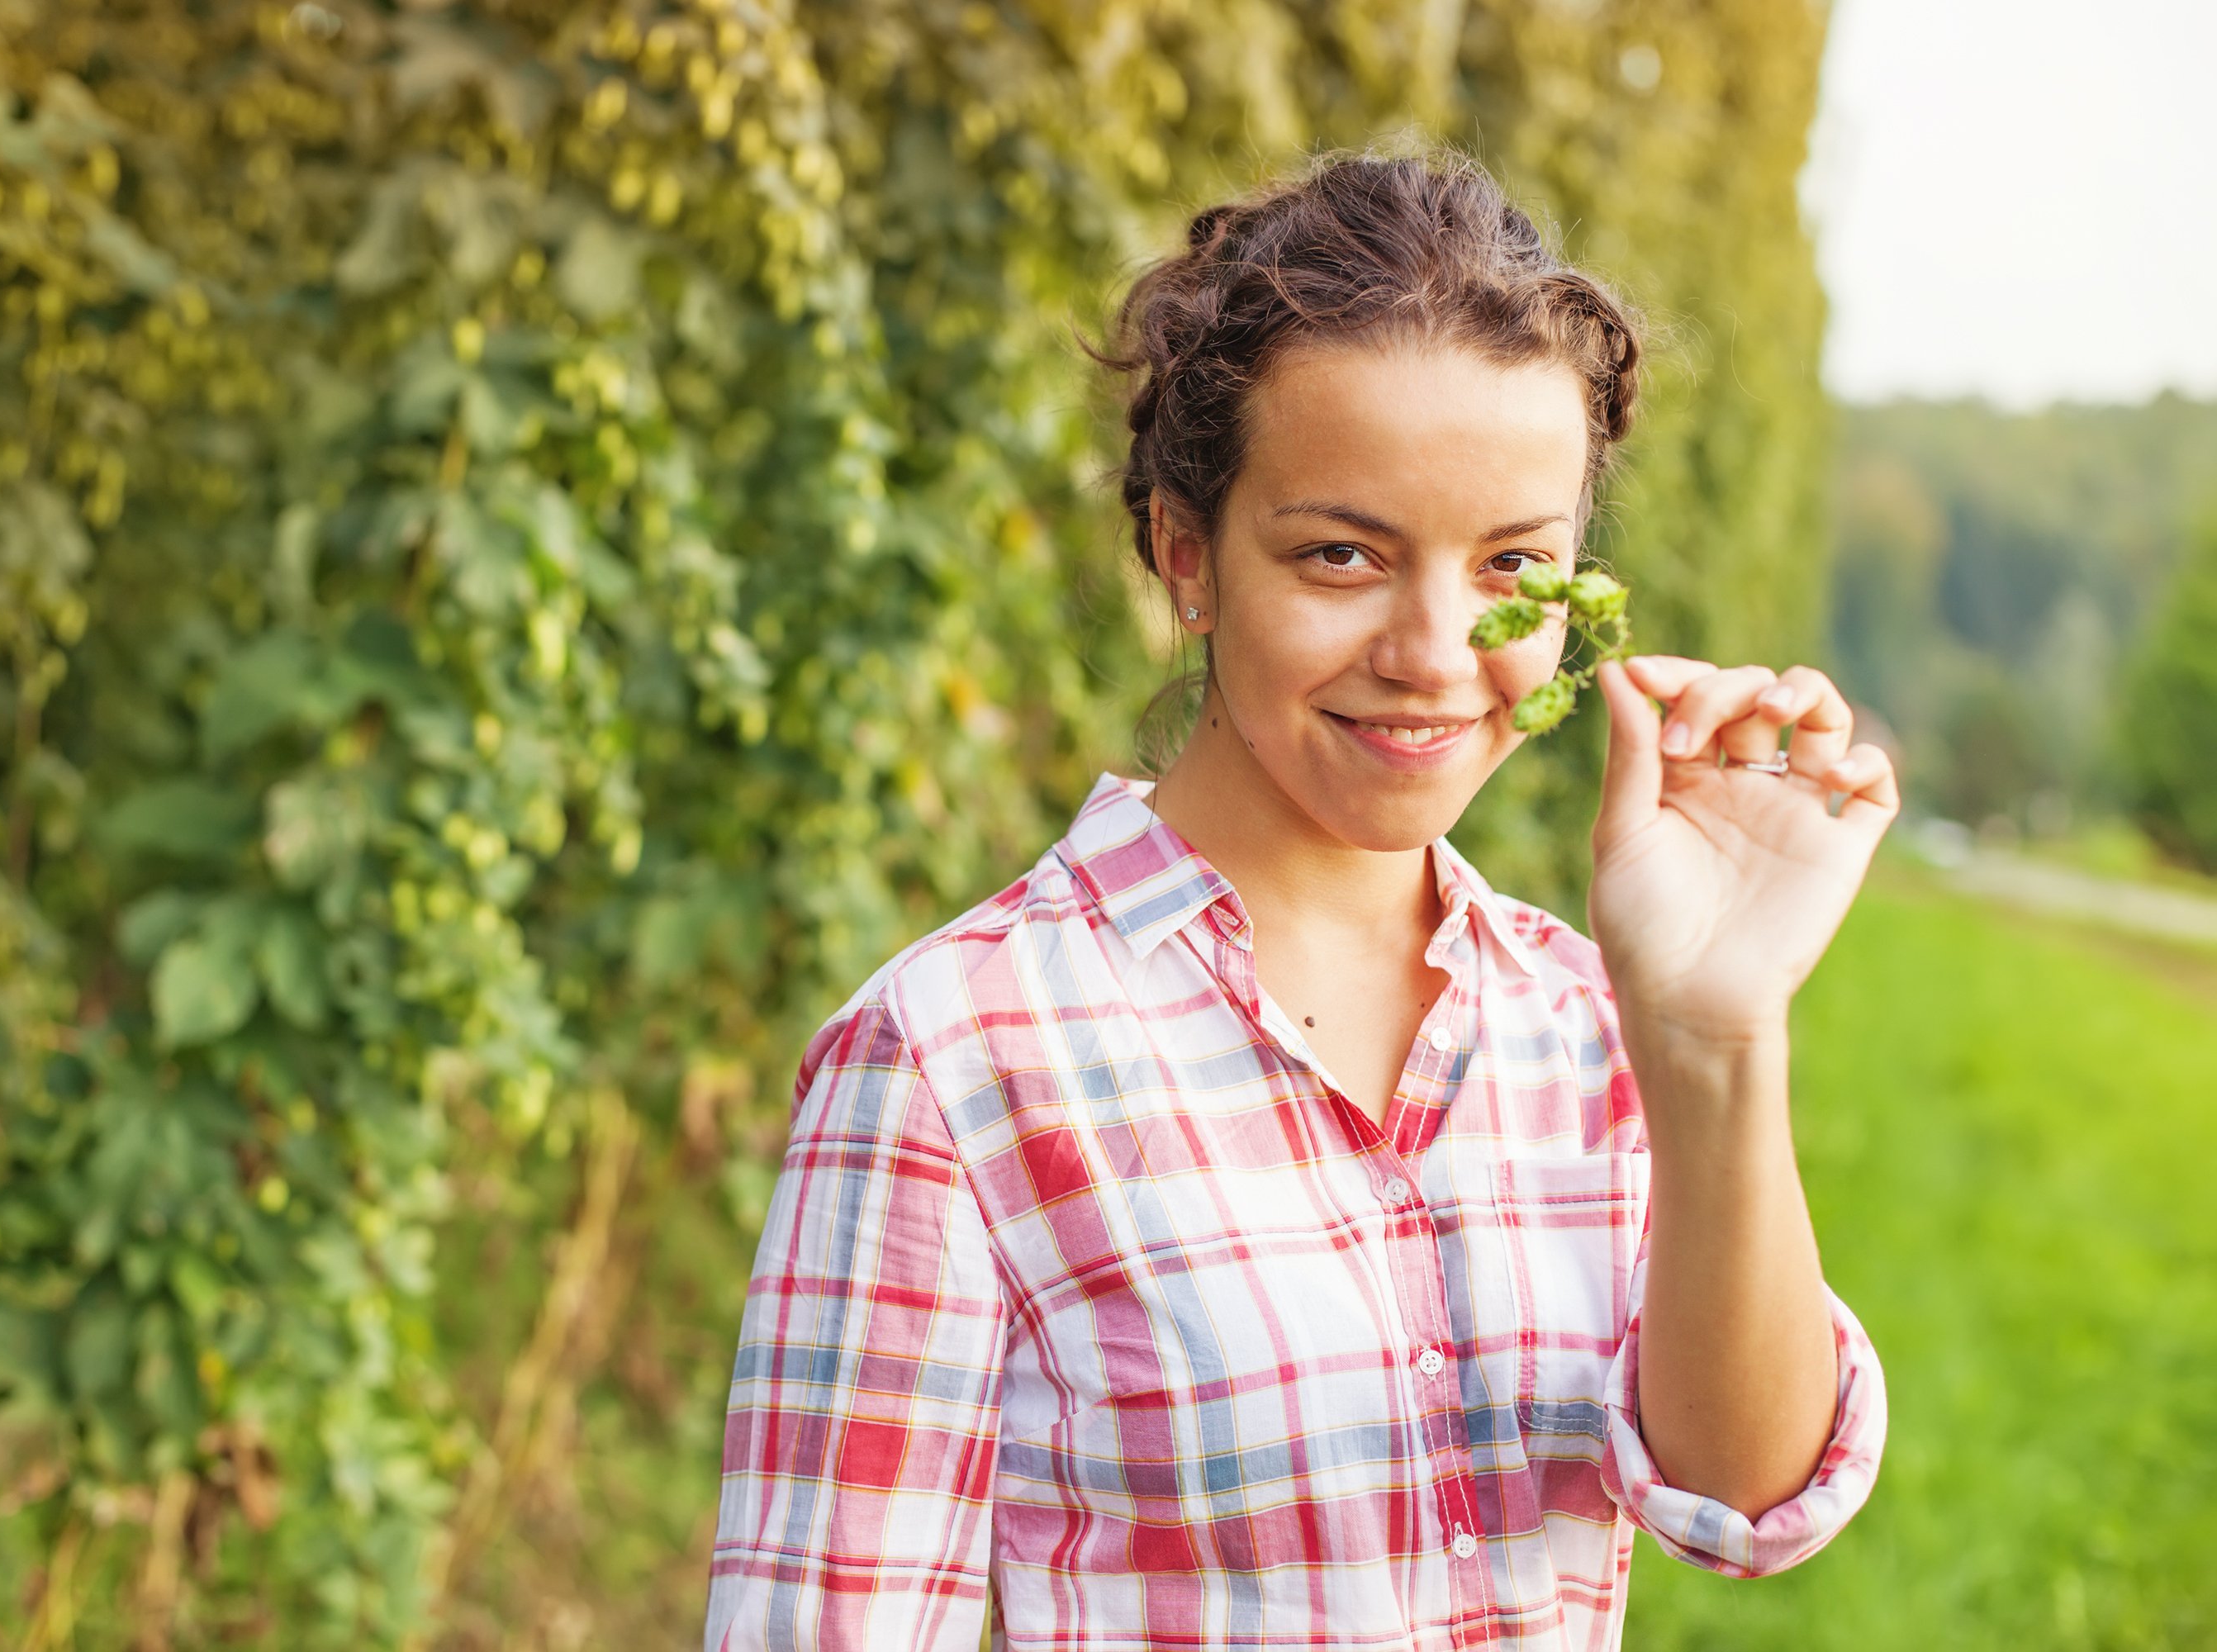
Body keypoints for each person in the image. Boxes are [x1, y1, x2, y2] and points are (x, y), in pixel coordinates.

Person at [703, 150, 1892, 1650]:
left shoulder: (1589, 1018)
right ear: (1186, 557)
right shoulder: (953, 1063)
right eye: (1342, 555)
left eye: (1513, 567)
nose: (1435, 652)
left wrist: (1716, 1034)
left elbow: (1749, 1500)